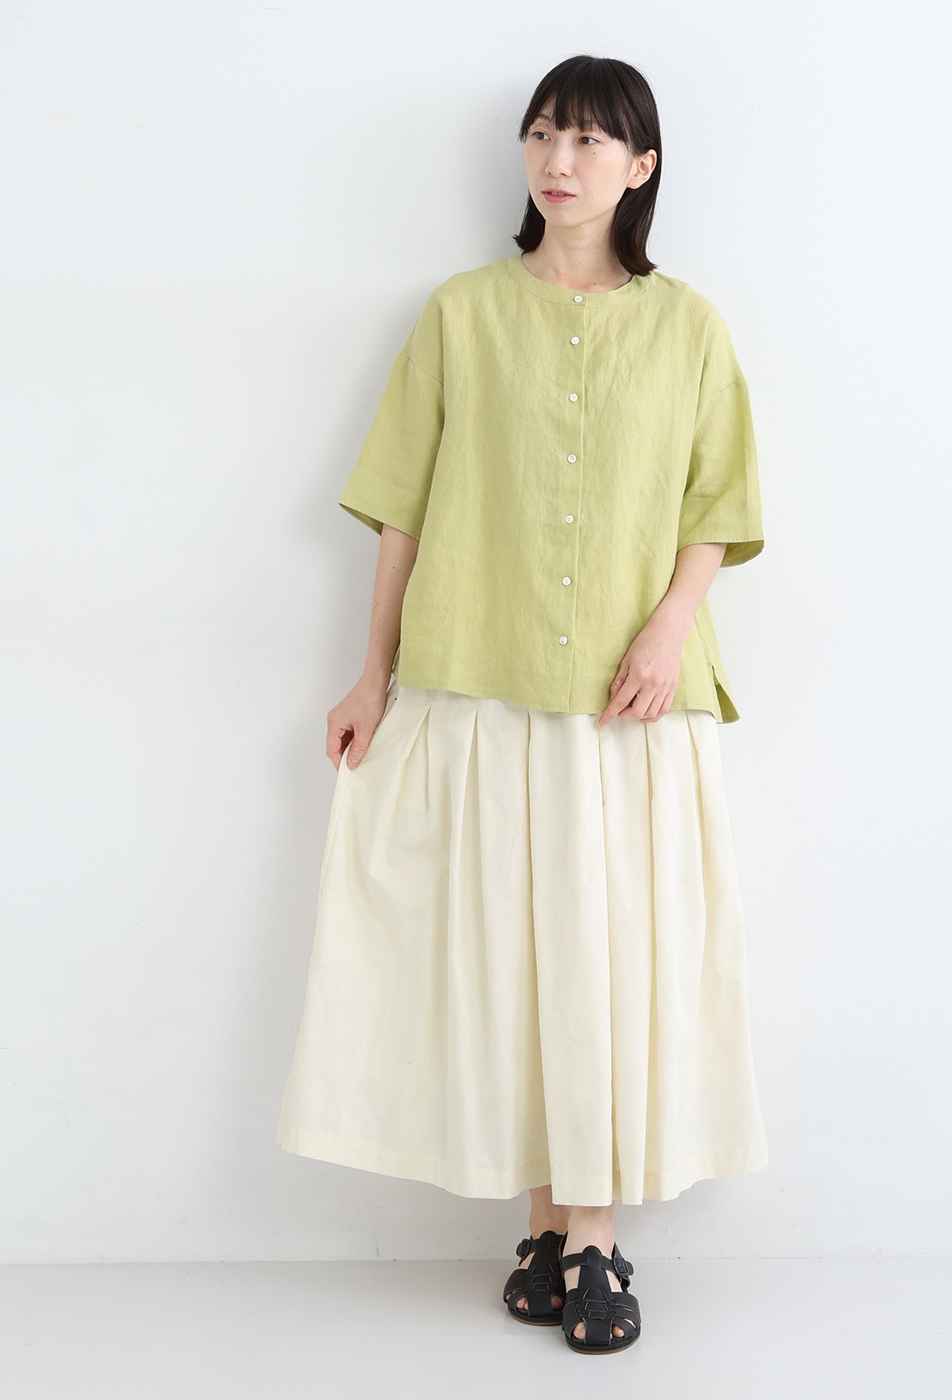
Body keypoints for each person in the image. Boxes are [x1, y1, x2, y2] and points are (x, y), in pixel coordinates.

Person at [275, 53, 770, 1355]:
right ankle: (553, 1227)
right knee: (520, 960)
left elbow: (717, 507)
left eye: (593, 140)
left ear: (642, 166)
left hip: (626, 701)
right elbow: (402, 508)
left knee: (608, 957)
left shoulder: (690, 326)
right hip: (481, 682)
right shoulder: (460, 314)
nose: (561, 159)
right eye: (544, 132)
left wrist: (669, 627)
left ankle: (591, 1236)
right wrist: (371, 673)